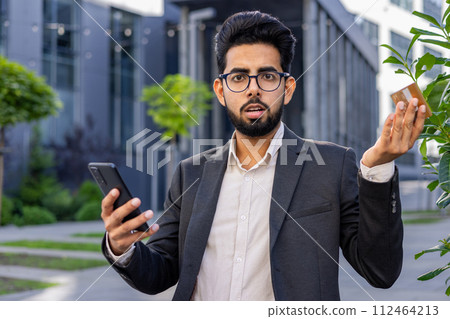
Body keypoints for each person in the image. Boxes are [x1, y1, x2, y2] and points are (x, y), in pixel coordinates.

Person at [101, 11, 426, 300]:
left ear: (287, 89)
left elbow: (380, 271)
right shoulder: (191, 172)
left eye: (267, 76)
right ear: (220, 91)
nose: (253, 88)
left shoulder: (332, 166)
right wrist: (122, 246)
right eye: (239, 77)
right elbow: (160, 273)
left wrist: (377, 167)